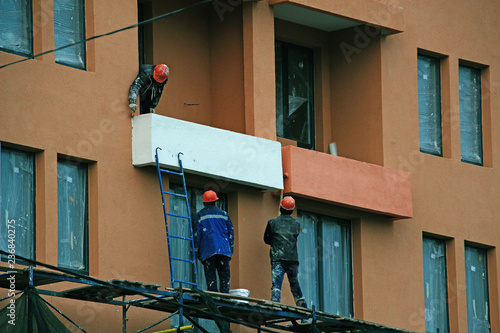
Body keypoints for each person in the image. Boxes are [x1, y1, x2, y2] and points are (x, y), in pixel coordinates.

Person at [264, 196, 307, 308]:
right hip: (292, 259)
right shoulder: (296, 224)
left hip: (277, 258)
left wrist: (275, 242)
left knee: (276, 284)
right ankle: (302, 307)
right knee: (294, 284)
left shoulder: (272, 222)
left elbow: (266, 239)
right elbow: (295, 235)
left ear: (280, 207)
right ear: (292, 210)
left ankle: (275, 304)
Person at [194, 190, 234, 293]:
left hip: (208, 251)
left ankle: (214, 302)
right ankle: (225, 301)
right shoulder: (224, 214)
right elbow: (231, 233)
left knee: (211, 280)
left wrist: (195, 252)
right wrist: (230, 249)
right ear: (215, 201)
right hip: (224, 251)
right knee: (225, 280)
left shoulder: (200, 215)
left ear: (204, 202)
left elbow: (197, 236)